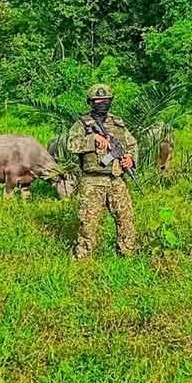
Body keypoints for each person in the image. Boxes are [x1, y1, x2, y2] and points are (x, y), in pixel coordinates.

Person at [67, 84, 138, 258]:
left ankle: (127, 253)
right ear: (90, 102)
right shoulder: (82, 124)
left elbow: (132, 144)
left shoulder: (118, 123)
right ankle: (84, 257)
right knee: (88, 222)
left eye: (106, 100)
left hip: (116, 179)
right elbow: (71, 145)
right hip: (93, 181)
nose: (102, 103)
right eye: (98, 100)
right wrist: (93, 139)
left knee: (125, 218)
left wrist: (130, 158)